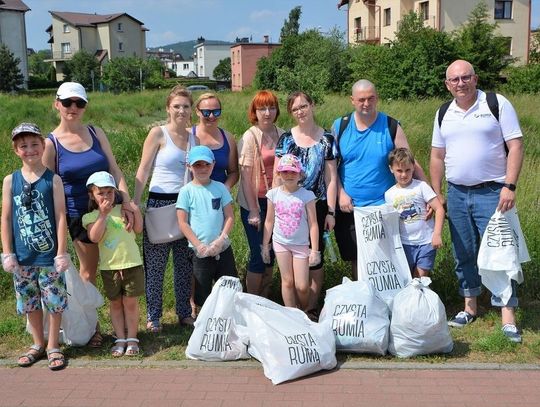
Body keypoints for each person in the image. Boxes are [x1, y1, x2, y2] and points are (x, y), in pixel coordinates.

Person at [430, 59, 524, 342]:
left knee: (501, 251)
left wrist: (510, 185)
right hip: (457, 192)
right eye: (454, 80)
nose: (461, 83)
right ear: (447, 85)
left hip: (494, 192)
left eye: (465, 78)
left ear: (475, 78)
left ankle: (508, 314)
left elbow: (516, 145)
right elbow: (437, 155)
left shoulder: (496, 103)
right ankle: (469, 306)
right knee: (464, 252)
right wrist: (437, 195)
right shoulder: (444, 112)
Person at [43, 82, 137, 347]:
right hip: (78, 216)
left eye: (79, 103)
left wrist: (127, 201)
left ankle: (124, 325)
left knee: (119, 264)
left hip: (111, 209)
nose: (73, 108)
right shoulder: (51, 144)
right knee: (89, 271)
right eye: (68, 103)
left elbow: (115, 170)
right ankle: (91, 327)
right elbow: (48, 185)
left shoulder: (96, 133)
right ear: (57, 104)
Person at [332, 79, 426, 281]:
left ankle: (390, 301)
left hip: (384, 206)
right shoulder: (340, 126)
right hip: (351, 207)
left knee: (384, 257)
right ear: (352, 100)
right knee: (357, 257)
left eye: (371, 98)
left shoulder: (391, 125)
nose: (366, 103)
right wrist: (340, 193)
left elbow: (409, 160)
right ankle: (363, 300)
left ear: (377, 98)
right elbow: (331, 167)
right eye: (361, 99)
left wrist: (429, 195)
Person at [1, 123, 69, 371]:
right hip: (22, 257)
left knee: (53, 301)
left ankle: (53, 345)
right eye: (23, 146)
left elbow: (61, 216)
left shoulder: (53, 180)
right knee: (30, 302)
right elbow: (6, 218)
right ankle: (37, 343)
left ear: (43, 145)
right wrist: (7, 252)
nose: (29, 150)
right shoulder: (11, 180)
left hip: (49, 256)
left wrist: (62, 251)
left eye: (34, 144)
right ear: (16, 149)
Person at [134, 85, 195, 331]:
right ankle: (153, 316)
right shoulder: (158, 133)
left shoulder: (194, 137)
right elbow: (143, 169)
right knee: (156, 265)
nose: (181, 110)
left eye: (186, 106)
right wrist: (136, 203)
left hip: (184, 206)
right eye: (177, 106)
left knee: (184, 264)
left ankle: (183, 312)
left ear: (191, 110)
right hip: (159, 203)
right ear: (168, 108)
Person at [274, 91, 337, 320]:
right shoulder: (286, 139)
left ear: (312, 105)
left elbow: (331, 178)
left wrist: (331, 211)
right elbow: (277, 173)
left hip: (317, 206)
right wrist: (275, 201)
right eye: (295, 109)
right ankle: (293, 313)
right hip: (289, 207)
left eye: (303, 106)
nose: (300, 111)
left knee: (315, 258)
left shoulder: (327, 139)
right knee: (290, 262)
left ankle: (311, 308)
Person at [82, 171, 144, 356]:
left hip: (131, 263)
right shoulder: (90, 217)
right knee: (116, 303)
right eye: (101, 193)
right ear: (92, 195)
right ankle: (120, 338)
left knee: (131, 303)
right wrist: (102, 215)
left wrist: (135, 209)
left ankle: (132, 338)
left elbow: (139, 229)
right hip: (110, 268)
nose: (106, 196)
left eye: (109, 192)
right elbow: (94, 237)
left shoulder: (123, 210)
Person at [176, 145, 237, 310]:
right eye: (197, 165)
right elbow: (182, 222)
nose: (202, 169)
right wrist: (199, 245)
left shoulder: (221, 188)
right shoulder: (186, 191)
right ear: (189, 166)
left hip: (222, 248)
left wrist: (221, 239)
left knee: (228, 287)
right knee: (202, 291)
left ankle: (227, 317)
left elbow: (229, 216)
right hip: (199, 250)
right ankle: (203, 321)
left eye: (206, 164)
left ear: (214, 164)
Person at [237, 90, 285, 297]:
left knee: (271, 252)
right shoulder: (249, 137)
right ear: (254, 111)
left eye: (271, 107)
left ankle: (265, 297)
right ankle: (252, 300)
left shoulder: (282, 134)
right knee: (258, 253)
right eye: (262, 108)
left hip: (276, 202)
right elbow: (245, 177)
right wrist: (254, 211)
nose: (267, 112)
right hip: (254, 202)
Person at [262, 154, 319, 311]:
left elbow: (313, 224)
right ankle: (291, 314)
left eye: (293, 172)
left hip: (301, 245)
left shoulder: (307, 196)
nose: (289, 175)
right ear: (279, 174)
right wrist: (265, 245)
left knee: (301, 286)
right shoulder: (273, 194)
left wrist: (314, 250)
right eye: (285, 172)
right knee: (287, 281)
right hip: (281, 243)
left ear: (300, 174)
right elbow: (269, 221)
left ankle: (304, 309)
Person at [384, 148, 445, 278]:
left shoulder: (421, 187)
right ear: (391, 169)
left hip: (426, 242)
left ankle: (422, 297)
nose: (404, 175)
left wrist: (437, 234)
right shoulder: (389, 194)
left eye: (407, 170)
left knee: (419, 279)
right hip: (404, 244)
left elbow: (439, 209)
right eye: (399, 171)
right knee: (407, 279)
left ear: (413, 168)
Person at [192, 92, 239, 190]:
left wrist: (225, 188)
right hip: (192, 198)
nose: (212, 116)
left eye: (216, 112)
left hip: (219, 199)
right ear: (197, 111)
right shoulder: (188, 135)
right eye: (206, 112)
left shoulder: (228, 138)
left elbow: (233, 172)